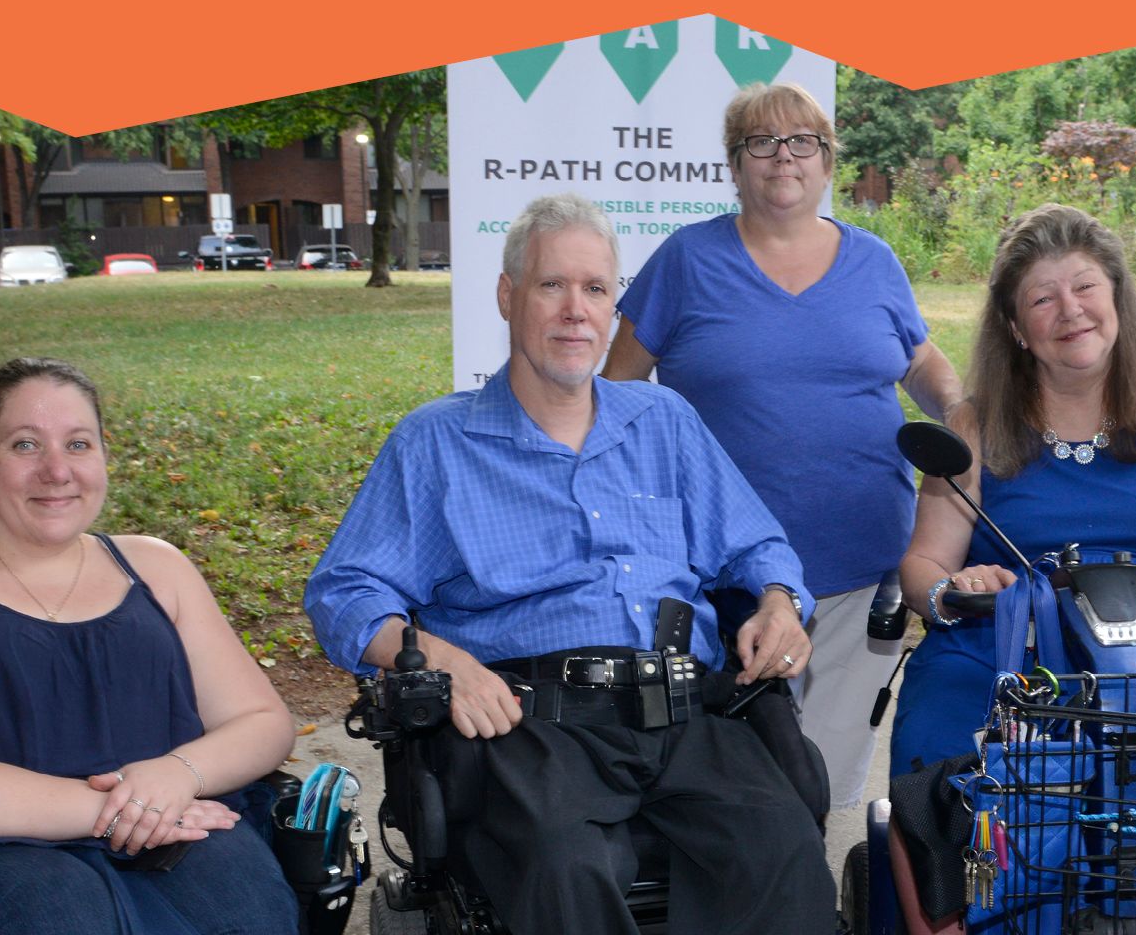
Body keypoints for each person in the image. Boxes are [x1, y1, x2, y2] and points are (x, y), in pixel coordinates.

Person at [306, 192, 836, 935]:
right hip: (533, 723)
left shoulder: (664, 422)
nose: (575, 310)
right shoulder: (437, 444)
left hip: (680, 706)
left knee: (780, 847)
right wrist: (442, 661)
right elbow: (344, 592)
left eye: (595, 289)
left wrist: (779, 601)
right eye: (552, 285)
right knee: (564, 867)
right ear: (507, 296)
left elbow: (758, 546)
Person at [0, 358, 298, 935]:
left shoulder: (156, 567)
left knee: (245, 907)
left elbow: (263, 721)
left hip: (167, 820)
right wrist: (112, 810)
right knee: (61, 912)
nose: (56, 471)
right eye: (24, 445)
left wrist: (179, 773)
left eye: (77, 444)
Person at [606, 80, 964, 811]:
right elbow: (614, 394)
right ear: (734, 166)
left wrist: (963, 415)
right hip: (723, 577)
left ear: (827, 161)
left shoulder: (874, 262)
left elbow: (920, 362)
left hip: (861, 566)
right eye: (760, 143)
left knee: (825, 781)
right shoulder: (685, 260)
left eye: (802, 141)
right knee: (740, 782)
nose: (783, 157)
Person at [888, 203, 1136, 791]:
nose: (1071, 310)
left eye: (1086, 286)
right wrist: (948, 589)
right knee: (942, 793)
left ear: (1116, 296)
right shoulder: (973, 423)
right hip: (1000, 655)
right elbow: (922, 564)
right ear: (1015, 328)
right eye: (1042, 299)